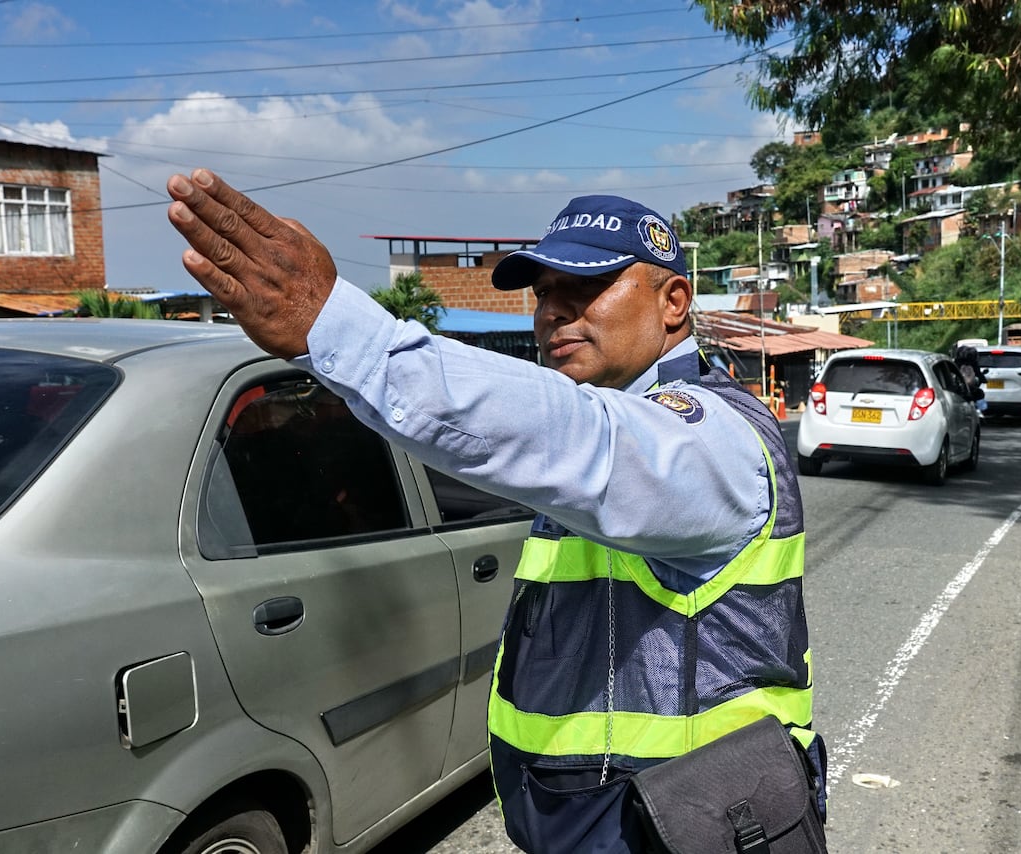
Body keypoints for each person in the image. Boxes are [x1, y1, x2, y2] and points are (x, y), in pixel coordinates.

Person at [166, 170, 825, 853]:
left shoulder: (707, 431)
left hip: (693, 824)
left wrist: (343, 331)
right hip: (604, 821)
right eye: (543, 294)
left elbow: (577, 438)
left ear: (674, 301)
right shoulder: (618, 414)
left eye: (587, 287)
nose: (554, 312)